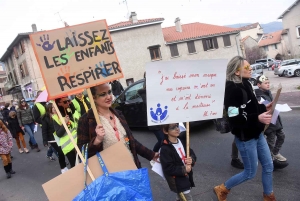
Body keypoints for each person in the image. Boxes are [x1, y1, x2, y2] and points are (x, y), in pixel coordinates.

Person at [214, 56, 276, 201]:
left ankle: (269, 196)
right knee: (250, 173)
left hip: (257, 133)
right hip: (245, 138)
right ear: (237, 72)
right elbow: (234, 117)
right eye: (247, 67)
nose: (251, 68)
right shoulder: (231, 90)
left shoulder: (246, 83)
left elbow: (250, 107)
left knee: (268, 166)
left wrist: (263, 107)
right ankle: (222, 188)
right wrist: (257, 118)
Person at [77, 83, 159, 169]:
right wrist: (96, 141)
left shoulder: (118, 114)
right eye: (103, 94)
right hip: (111, 176)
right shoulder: (86, 121)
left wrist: (151, 155)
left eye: (109, 92)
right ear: (93, 98)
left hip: (131, 168)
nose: (109, 97)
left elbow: (131, 141)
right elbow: (81, 153)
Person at [255, 75, 289, 169]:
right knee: (270, 142)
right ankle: (269, 161)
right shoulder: (259, 96)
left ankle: (275, 153)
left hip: (276, 121)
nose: (268, 84)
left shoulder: (268, 92)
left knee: (282, 136)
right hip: (269, 123)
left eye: (268, 82)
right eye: (265, 83)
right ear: (259, 85)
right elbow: (264, 107)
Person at [160, 123, 196, 201]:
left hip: (187, 176)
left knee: (181, 197)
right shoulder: (165, 149)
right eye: (173, 128)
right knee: (187, 197)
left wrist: (191, 159)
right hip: (177, 179)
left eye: (177, 126)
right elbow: (168, 168)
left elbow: (192, 153)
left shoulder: (182, 141)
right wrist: (184, 169)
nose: (177, 129)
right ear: (166, 131)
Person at [138, 72, 165, 166]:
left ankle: (160, 155)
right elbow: (149, 103)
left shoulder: (157, 89)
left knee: (164, 139)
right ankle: (153, 155)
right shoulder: (145, 92)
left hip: (162, 119)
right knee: (162, 140)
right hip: (154, 122)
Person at [53, 97, 80, 168]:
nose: (68, 103)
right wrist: (65, 123)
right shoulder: (56, 118)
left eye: (69, 101)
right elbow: (59, 134)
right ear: (59, 104)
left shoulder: (73, 112)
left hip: (79, 142)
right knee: (75, 167)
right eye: (65, 102)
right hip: (69, 147)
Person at [42, 103, 69, 173]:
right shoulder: (46, 118)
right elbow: (44, 130)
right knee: (60, 152)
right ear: (49, 109)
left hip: (60, 136)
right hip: (52, 139)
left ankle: (64, 165)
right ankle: (63, 168)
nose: (54, 109)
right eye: (52, 108)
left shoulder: (59, 115)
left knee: (63, 151)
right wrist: (45, 141)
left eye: (55, 107)